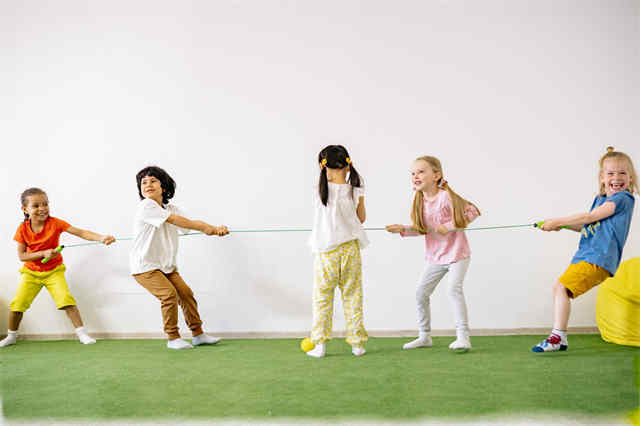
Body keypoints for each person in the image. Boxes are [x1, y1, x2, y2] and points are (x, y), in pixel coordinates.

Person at [532, 147, 636, 352]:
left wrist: (557, 220)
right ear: (602, 178)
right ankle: (559, 337)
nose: (616, 178)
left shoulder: (623, 199)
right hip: (586, 255)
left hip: (599, 257)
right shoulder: (600, 200)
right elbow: (587, 225)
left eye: (622, 173)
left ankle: (557, 337)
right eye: (611, 173)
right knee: (560, 288)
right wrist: (562, 226)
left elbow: (590, 217)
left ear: (630, 178)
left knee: (561, 287)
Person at [0, 187, 115, 347]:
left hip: (54, 271)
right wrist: (43, 253)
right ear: (25, 209)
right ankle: (11, 336)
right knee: (17, 305)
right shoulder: (22, 229)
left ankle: (82, 334)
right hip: (31, 273)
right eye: (36, 206)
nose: (42, 208)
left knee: (66, 300)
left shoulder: (55, 223)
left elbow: (81, 233)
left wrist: (102, 238)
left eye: (45, 204)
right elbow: (22, 256)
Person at [386, 156, 480, 351]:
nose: (415, 176)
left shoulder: (446, 197)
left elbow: (473, 212)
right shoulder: (419, 200)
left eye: (421, 172)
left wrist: (450, 226)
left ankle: (463, 337)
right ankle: (424, 336)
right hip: (435, 257)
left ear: (436, 175)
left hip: (457, 254)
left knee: (453, 289)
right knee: (420, 293)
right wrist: (402, 229)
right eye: (413, 173)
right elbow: (423, 229)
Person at [131, 166, 229, 350]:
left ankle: (198, 335)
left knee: (186, 294)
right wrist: (207, 228)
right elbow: (177, 221)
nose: (148, 185)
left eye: (153, 181)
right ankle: (173, 338)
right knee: (169, 295)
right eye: (143, 183)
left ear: (164, 186)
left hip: (166, 266)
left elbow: (186, 225)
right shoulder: (146, 206)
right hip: (145, 266)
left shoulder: (171, 208)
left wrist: (216, 229)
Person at [306, 145, 369, 358]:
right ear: (348, 165)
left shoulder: (319, 190)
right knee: (353, 296)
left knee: (322, 298)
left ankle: (320, 345)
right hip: (350, 250)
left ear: (322, 166)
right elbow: (361, 219)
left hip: (326, 252)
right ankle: (357, 345)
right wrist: (359, 195)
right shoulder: (356, 189)